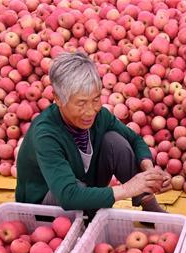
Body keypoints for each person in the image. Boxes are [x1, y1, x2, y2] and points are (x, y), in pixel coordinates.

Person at [15, 51, 170, 215]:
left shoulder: (99, 116)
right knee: (76, 188)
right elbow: (68, 196)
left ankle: (148, 206)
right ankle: (88, 221)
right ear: (58, 98)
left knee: (115, 142)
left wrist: (149, 173)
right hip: (44, 208)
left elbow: (134, 140)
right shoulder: (45, 134)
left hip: (83, 186)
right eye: (81, 103)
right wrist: (127, 189)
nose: (90, 111)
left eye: (96, 99)